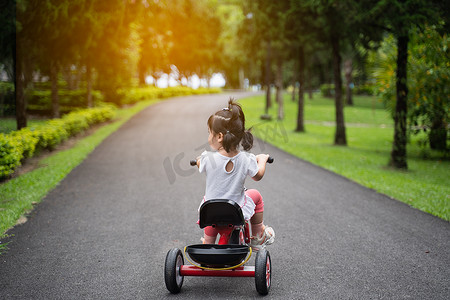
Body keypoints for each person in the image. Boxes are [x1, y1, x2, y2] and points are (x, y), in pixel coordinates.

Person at [194, 98, 275, 249]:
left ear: (219, 136)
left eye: (209, 133)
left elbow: (200, 162)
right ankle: (257, 236)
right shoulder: (247, 159)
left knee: (211, 205)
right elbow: (258, 176)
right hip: (234, 211)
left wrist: (199, 160)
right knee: (255, 194)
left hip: (210, 211)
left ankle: (208, 242)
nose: (208, 137)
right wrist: (262, 160)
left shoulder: (207, 159)